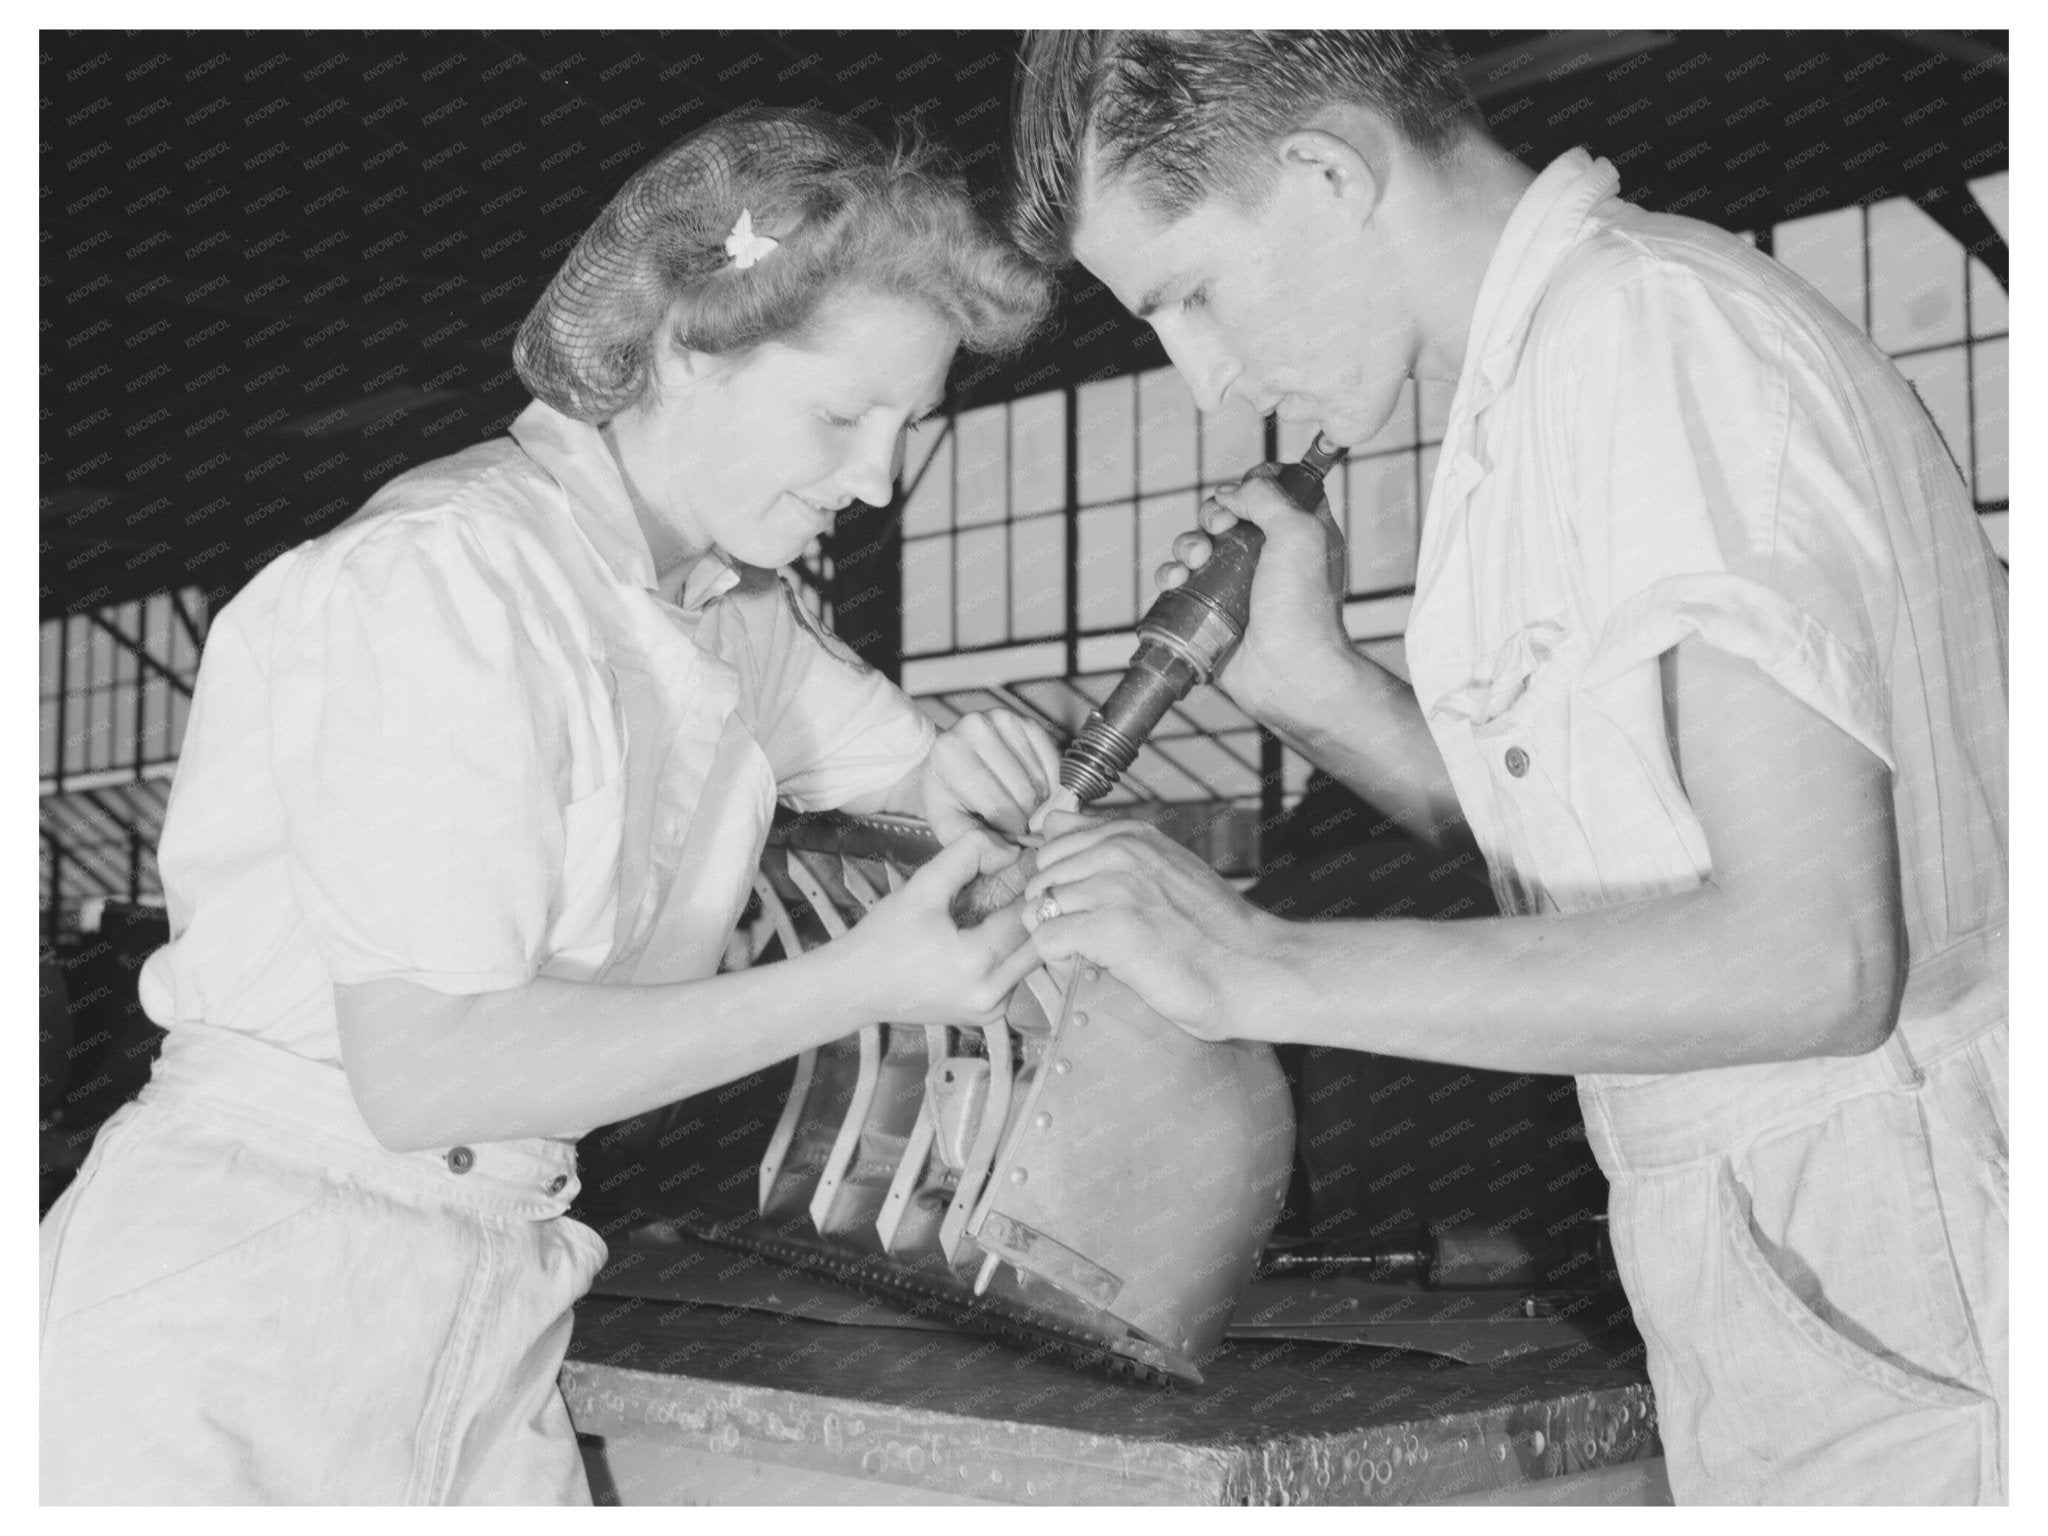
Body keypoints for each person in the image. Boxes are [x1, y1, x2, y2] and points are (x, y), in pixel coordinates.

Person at [1006, 31, 2006, 1504]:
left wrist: (1256, 966)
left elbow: (1813, 961)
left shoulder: (1656, 345)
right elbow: (1623, 880)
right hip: (1795, 1244)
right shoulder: (1540, 387)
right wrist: (1327, 698)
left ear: (1326, 171)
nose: (1205, 380)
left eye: (1191, 295)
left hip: (1910, 1239)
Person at [39, 106, 1055, 1505]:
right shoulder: (446, 580)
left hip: (498, 1271)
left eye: (907, 426)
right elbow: (428, 1073)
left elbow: (911, 777)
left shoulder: (726, 613)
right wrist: (861, 982)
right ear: (688, 349)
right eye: (840, 417)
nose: (876, 480)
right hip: (245, 1292)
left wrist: (983, 770)